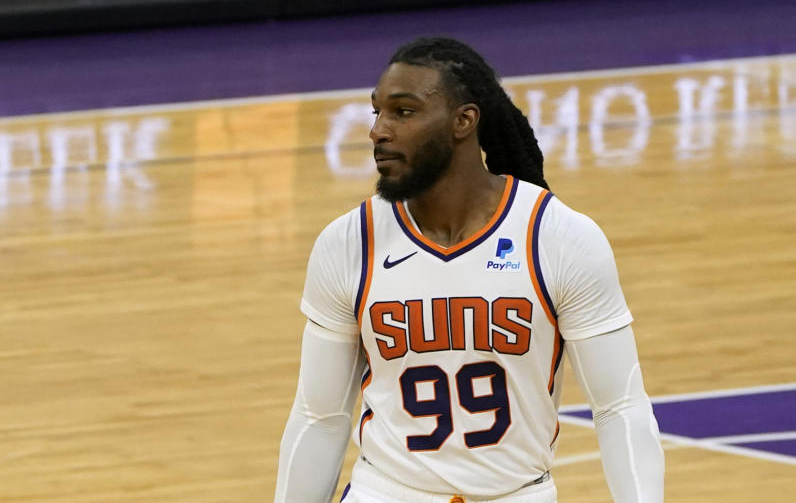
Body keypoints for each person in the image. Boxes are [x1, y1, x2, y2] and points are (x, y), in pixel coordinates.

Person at [274, 37, 664, 503]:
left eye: (404, 112)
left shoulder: (559, 238)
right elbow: (320, 417)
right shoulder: (349, 242)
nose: (379, 130)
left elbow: (620, 407)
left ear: (464, 121)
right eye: (376, 112)